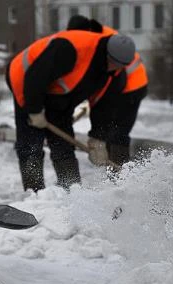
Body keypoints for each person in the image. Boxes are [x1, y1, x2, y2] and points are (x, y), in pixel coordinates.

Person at [6, 28, 136, 192]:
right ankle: (35, 193)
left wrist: (98, 139)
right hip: (25, 81)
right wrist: (34, 110)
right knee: (31, 143)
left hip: (58, 95)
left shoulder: (114, 74)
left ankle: (71, 190)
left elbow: (104, 107)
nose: (114, 68)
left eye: (120, 66)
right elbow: (36, 77)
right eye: (113, 63)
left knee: (64, 143)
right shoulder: (69, 50)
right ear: (106, 53)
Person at [65, 15, 149, 170]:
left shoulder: (101, 40)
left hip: (131, 87)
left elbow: (102, 79)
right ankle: (114, 170)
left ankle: (121, 173)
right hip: (122, 86)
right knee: (111, 130)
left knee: (118, 132)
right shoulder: (97, 35)